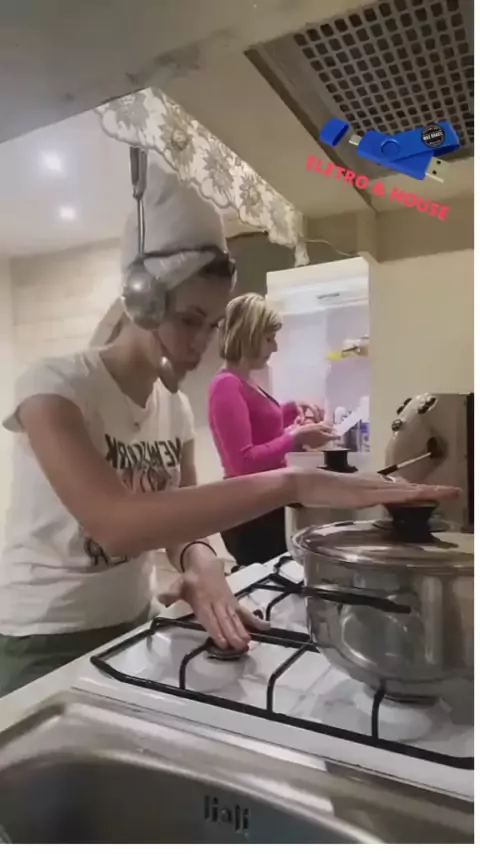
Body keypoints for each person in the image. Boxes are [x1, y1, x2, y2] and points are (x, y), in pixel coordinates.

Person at [0, 165, 458, 697]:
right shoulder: (53, 387)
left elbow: (179, 526)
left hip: (131, 621)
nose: (202, 344)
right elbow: (115, 525)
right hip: (40, 638)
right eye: (189, 320)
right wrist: (295, 482)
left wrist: (202, 563)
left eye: (213, 324)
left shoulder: (172, 408)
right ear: (142, 302)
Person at [208, 293, 336, 565]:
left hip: (264, 503)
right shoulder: (226, 385)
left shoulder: (244, 381)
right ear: (249, 336)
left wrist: (290, 410)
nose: (275, 347)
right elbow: (244, 462)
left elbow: (259, 426)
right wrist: (295, 437)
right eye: (269, 338)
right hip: (248, 513)